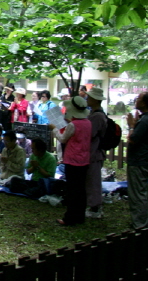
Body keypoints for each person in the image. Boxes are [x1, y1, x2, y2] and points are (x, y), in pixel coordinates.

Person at [54, 96, 92, 226]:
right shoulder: (88, 123)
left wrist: (54, 129)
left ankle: (69, 218)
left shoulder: (73, 125)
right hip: (84, 160)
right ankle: (79, 216)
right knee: (80, 190)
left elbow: (63, 138)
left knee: (72, 190)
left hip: (72, 160)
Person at [126, 91, 148, 229]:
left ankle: (140, 224)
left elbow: (133, 139)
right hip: (145, 160)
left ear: (144, 103)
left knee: (137, 194)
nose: (136, 99)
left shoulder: (146, 120)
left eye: (139, 98)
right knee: (141, 192)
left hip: (140, 162)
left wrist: (131, 126)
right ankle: (142, 220)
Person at [85, 86, 108, 219]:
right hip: (92, 152)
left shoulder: (97, 116)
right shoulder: (94, 114)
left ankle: (95, 207)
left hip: (95, 152)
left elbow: (90, 133)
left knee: (93, 181)